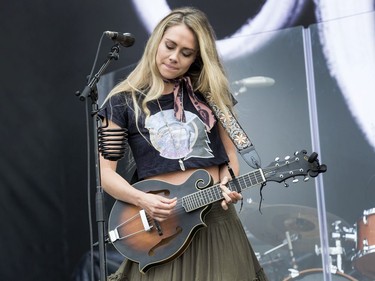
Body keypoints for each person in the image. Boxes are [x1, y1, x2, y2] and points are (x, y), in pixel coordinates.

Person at [99, 6, 268, 281]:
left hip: (214, 220)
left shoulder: (211, 94)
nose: (174, 57)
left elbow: (230, 154)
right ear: (157, 41)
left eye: (186, 53)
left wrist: (228, 181)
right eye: (170, 46)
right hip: (162, 230)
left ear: (196, 58)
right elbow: (106, 174)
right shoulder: (121, 102)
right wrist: (143, 200)